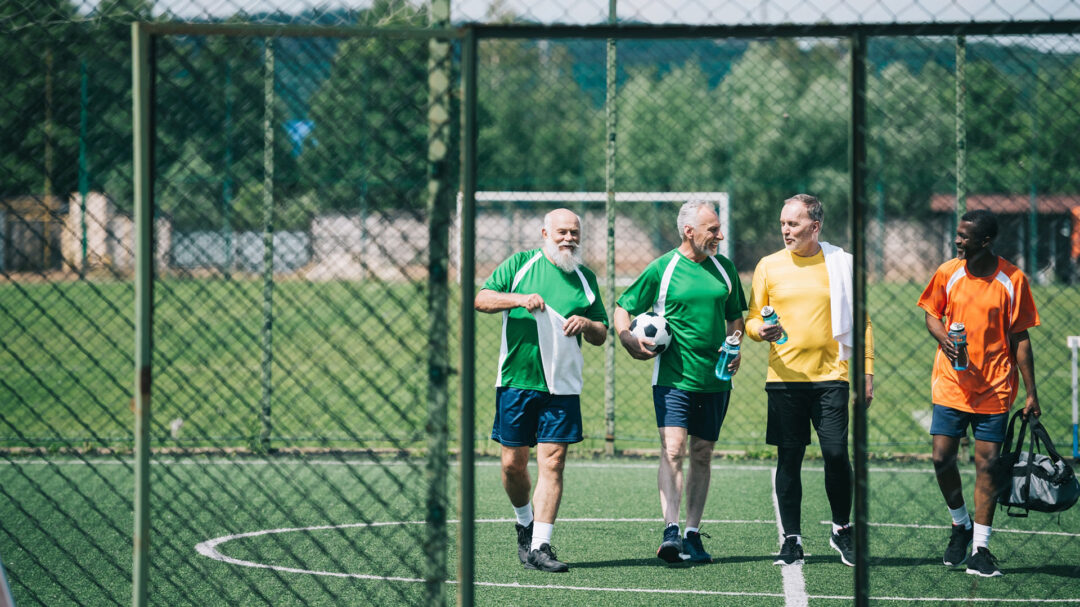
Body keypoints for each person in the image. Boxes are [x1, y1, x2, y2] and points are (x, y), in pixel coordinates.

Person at [474, 208, 608, 573]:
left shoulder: (585, 278)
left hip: (562, 386)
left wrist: (587, 324)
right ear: (545, 233)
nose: (569, 238)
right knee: (512, 465)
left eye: (575, 233)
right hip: (517, 381)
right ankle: (525, 523)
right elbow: (482, 299)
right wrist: (519, 299)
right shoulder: (520, 265)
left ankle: (540, 545)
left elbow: (601, 333)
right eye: (562, 232)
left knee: (554, 462)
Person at [614, 200, 747, 564]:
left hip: (716, 379)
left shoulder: (725, 269)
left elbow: (735, 318)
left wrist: (735, 345)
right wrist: (626, 338)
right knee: (673, 450)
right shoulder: (663, 268)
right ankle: (670, 531)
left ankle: (692, 532)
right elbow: (623, 307)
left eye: (718, 228)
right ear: (689, 231)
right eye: (712, 229)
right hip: (673, 378)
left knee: (702, 452)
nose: (720, 235)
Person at [745, 193, 874, 567]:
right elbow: (752, 318)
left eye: (793, 223)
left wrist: (866, 372)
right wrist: (759, 331)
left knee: (836, 453)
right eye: (783, 223)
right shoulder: (768, 266)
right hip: (784, 379)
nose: (785, 230)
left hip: (832, 376)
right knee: (789, 458)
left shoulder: (841, 264)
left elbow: (863, 322)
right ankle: (792, 539)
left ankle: (841, 529)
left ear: (815, 226)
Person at [917, 209, 1041, 578]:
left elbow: (1020, 337)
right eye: (957, 234)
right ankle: (961, 524)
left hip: (994, 388)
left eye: (964, 236)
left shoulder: (1012, 279)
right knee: (942, 458)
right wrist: (945, 340)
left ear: (985, 241)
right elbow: (931, 314)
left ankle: (981, 549)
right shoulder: (947, 272)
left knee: (987, 466)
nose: (957, 241)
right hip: (952, 384)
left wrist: (1031, 393)